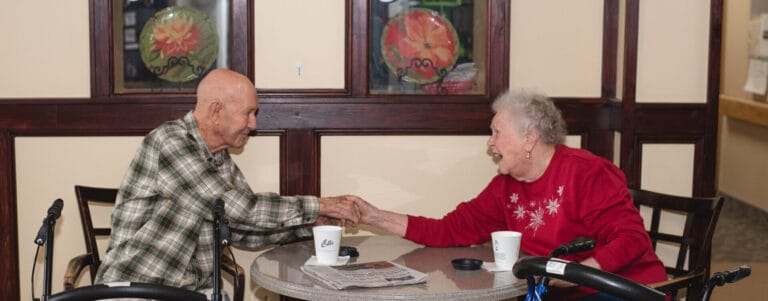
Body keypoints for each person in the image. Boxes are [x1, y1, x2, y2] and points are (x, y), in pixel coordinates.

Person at [351, 89, 667, 300]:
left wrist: (575, 275)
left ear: (529, 138)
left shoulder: (587, 173)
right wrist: (373, 215)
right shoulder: (506, 186)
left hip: (622, 291)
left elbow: (631, 240)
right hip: (552, 292)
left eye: (497, 132)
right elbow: (449, 229)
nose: (490, 143)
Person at [95, 69, 359, 297]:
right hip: (137, 289)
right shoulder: (170, 142)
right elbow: (242, 209)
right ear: (216, 111)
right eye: (248, 113)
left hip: (190, 294)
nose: (253, 125)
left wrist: (309, 226)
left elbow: (243, 229)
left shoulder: (219, 159)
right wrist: (322, 205)